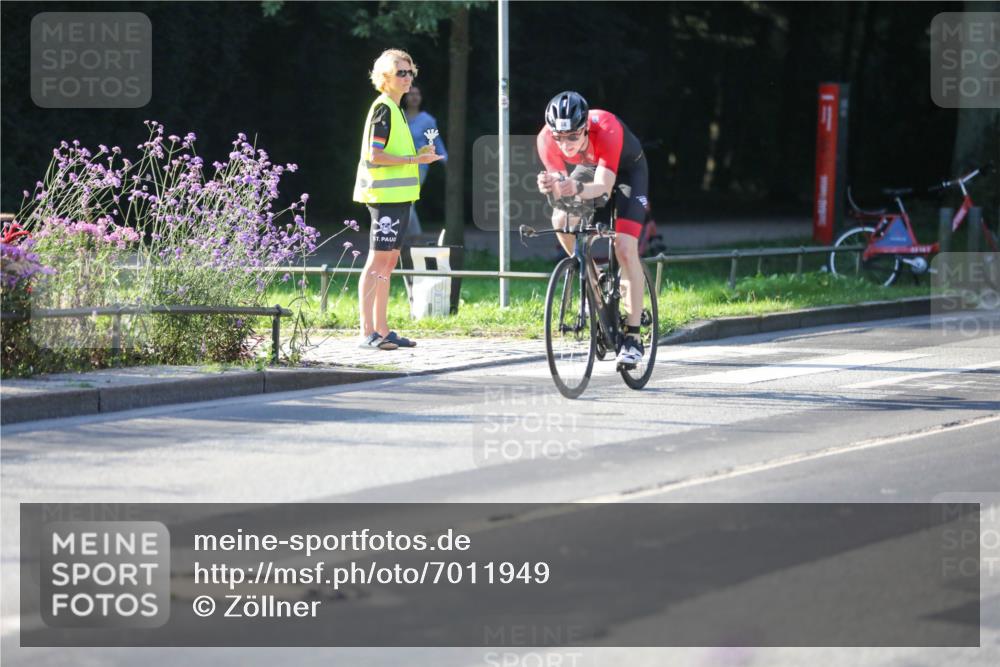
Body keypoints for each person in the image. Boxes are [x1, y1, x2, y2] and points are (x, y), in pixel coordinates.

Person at [535, 91, 650, 366]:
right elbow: (561, 184)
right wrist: (552, 185)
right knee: (560, 220)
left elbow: (603, 188)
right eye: (559, 138)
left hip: (624, 172)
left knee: (623, 246)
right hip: (589, 169)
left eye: (573, 137)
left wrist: (574, 187)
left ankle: (633, 336)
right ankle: (592, 273)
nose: (566, 145)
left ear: (585, 128)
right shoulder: (545, 139)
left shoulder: (606, 127)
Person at [353, 48, 443, 350]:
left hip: (400, 197)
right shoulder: (383, 109)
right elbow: (375, 155)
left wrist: (418, 156)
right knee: (377, 261)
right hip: (385, 198)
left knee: (389, 261)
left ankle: (383, 328)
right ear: (384, 77)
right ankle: (368, 332)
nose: (408, 78)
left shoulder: (395, 109)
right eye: (401, 72)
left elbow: (394, 155)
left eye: (410, 72)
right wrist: (412, 159)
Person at [403, 84, 448, 237]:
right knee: (404, 201)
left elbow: (437, 142)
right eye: (411, 94)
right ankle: (409, 239)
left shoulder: (427, 120)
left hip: (419, 166)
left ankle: (415, 236)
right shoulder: (398, 116)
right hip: (398, 164)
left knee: (407, 200)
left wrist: (445, 160)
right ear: (404, 96)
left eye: (417, 94)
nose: (414, 97)